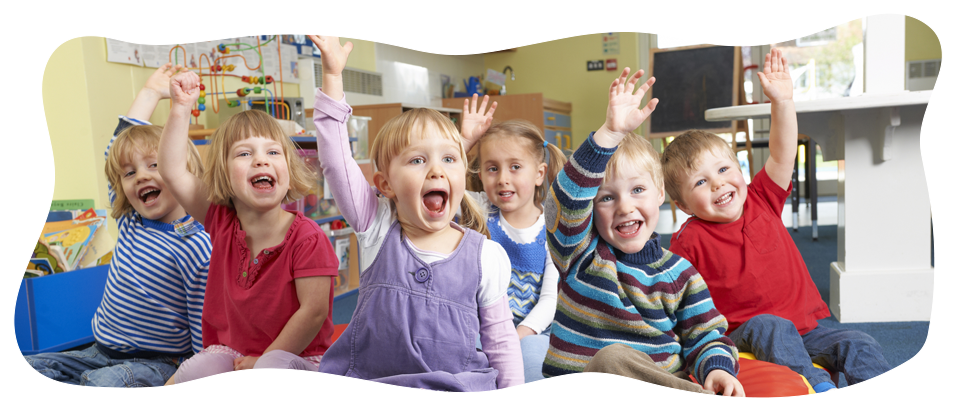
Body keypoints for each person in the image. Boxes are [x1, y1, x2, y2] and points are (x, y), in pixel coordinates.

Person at [662, 49, 890, 393]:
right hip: (745, 335)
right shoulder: (687, 239)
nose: (719, 183)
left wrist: (782, 102)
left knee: (859, 342)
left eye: (724, 170)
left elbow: (783, 153)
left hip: (810, 329)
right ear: (681, 204)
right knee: (770, 326)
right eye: (700, 182)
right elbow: (678, 299)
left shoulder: (761, 198)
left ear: (739, 169)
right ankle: (818, 390)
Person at [310, 35, 522, 391]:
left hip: (454, 390)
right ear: (386, 184)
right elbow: (335, 162)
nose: (437, 171)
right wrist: (332, 77)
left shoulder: (486, 255)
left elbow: (501, 344)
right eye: (418, 160)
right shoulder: (377, 226)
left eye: (449, 160)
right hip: (373, 384)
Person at [543, 67, 744, 396]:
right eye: (607, 198)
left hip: (657, 391)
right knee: (611, 360)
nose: (624, 207)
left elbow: (705, 335)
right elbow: (561, 204)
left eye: (638, 190)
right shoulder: (579, 255)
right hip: (587, 394)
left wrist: (717, 367)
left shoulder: (682, 274)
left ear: (661, 193)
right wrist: (608, 134)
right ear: (590, 207)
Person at [24, 64, 212, 387]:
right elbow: (117, 147)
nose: (141, 176)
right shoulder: (130, 219)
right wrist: (150, 92)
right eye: (130, 173)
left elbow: (203, 325)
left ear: (182, 170)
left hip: (156, 363)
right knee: (27, 369)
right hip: (98, 350)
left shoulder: (196, 244)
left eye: (155, 165)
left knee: (100, 386)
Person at [158, 69, 339, 384]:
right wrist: (180, 108)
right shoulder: (222, 221)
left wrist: (263, 364)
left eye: (272, 152)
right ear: (225, 174)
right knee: (195, 372)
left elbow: (313, 313)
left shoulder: (308, 238)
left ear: (287, 167)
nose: (261, 160)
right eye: (244, 153)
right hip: (233, 353)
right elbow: (173, 170)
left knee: (273, 374)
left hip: (298, 358)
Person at [459, 101, 567, 383]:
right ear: (480, 174)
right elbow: (446, 177)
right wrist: (464, 142)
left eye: (515, 167)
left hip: (532, 333)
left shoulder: (553, 228)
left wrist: (516, 338)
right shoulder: (479, 210)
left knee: (531, 372)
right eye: (492, 169)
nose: (503, 179)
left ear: (539, 174)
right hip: (482, 330)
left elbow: (549, 300)